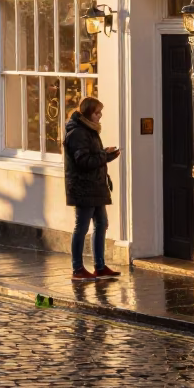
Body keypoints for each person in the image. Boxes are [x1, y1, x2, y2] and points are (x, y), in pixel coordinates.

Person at [64, 97, 121, 281]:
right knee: (81, 226)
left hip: (95, 186)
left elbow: (91, 155)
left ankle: (100, 266)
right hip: (83, 187)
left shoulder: (88, 130)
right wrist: (106, 155)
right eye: (97, 112)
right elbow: (84, 161)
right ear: (88, 114)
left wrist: (105, 152)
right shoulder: (77, 133)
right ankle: (78, 269)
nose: (100, 116)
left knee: (101, 224)